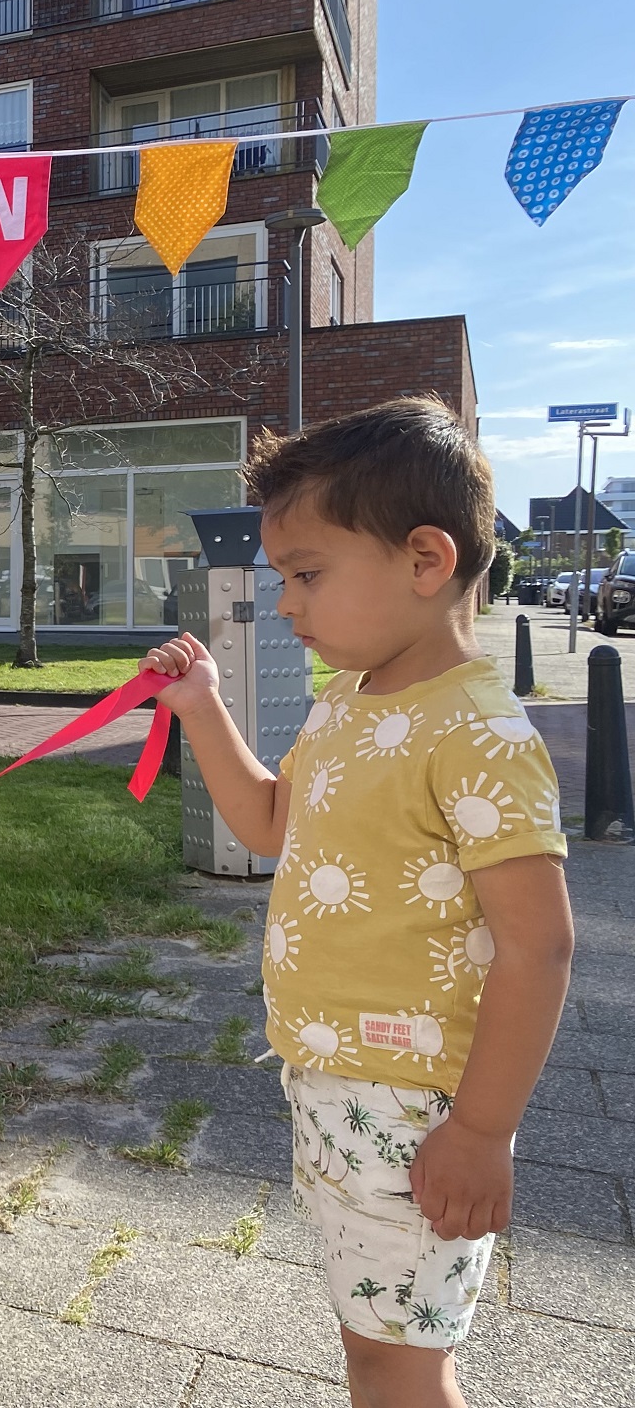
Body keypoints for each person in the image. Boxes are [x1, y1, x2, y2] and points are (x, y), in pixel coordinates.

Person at [143, 399, 574, 1408]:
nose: (284, 603)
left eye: (305, 574)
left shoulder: (475, 733)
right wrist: (202, 704)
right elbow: (264, 821)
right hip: (333, 1087)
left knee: (396, 1364)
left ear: (424, 561)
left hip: (417, 1108)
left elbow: (538, 950)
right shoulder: (347, 702)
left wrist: (477, 1131)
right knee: (371, 1347)